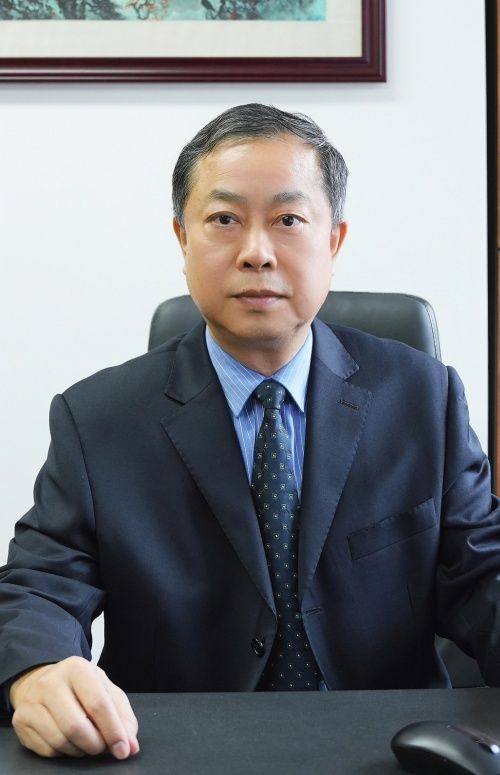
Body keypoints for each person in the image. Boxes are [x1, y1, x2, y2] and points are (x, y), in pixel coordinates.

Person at [1, 103, 500, 760]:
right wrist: (37, 669)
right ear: (182, 239)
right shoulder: (98, 418)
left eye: (288, 220)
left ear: (334, 242)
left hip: (384, 746)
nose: (256, 252)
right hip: (176, 751)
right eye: (224, 220)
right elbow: (39, 584)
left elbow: (482, 573)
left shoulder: (422, 398)